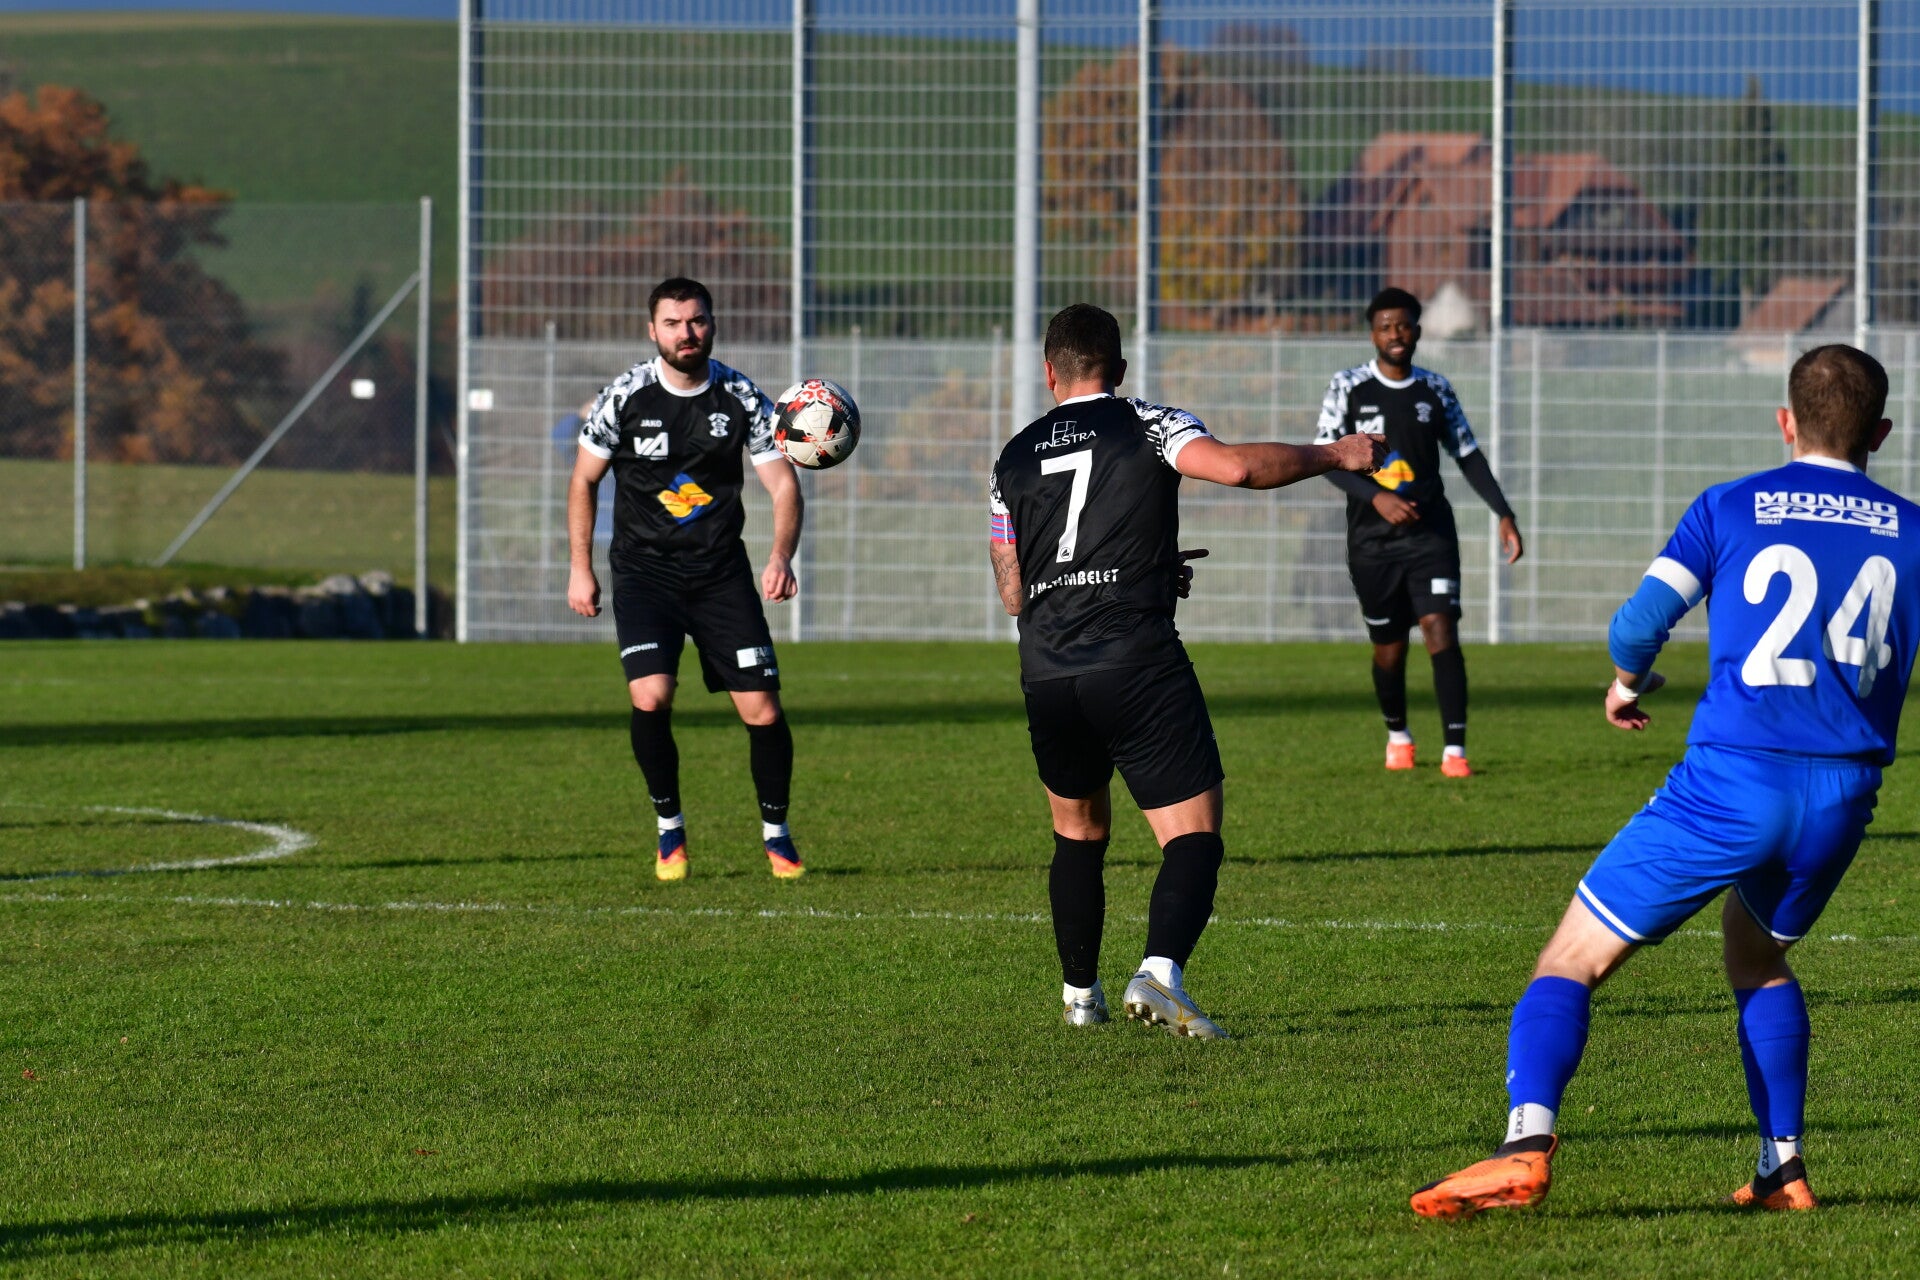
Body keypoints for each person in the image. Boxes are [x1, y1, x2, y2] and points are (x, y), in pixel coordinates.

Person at [1412, 345, 1917, 1219]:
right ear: (1880, 433)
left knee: (1570, 959)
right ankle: (1782, 1167)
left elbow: (1638, 623)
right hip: (1841, 798)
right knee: (1758, 956)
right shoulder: (1911, 530)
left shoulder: (1729, 505)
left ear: (1786, 422)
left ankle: (1525, 1144)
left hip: (1731, 782)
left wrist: (1626, 682)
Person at [989, 303, 1385, 1035]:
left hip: (1047, 669)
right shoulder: (1150, 421)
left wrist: (1141, 565)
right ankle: (1161, 973)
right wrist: (1335, 454)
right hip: (1133, 661)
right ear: (1119, 367)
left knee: (1077, 834)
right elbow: (1236, 468)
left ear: (1050, 373)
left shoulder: (1010, 457)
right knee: (1193, 833)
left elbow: (1014, 591)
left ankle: (1080, 999)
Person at [566, 277, 807, 882]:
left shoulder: (740, 397)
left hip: (720, 574)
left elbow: (783, 484)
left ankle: (777, 834)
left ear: (712, 325)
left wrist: (781, 556)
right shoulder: (624, 396)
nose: (686, 333)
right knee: (650, 696)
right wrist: (580, 568)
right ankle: (669, 827)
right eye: (673, 323)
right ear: (653, 331)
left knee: (763, 711)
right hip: (644, 573)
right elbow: (584, 480)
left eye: (696, 321)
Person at [1314, 287, 1522, 777]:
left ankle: (1455, 751)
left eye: (1403, 325)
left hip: (1431, 536)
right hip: (1372, 541)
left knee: (1439, 628)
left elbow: (1467, 453)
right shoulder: (1348, 386)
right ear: (1373, 334)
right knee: (1389, 647)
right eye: (1385, 326)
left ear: (1417, 331)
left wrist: (1503, 512)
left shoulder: (1436, 389)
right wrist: (1376, 498)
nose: (1396, 334)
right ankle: (1398, 736)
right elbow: (1325, 458)